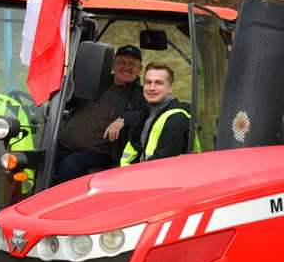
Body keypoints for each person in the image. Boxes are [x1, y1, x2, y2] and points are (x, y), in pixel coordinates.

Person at [56, 44, 146, 182]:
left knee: (70, 165)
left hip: (98, 152)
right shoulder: (96, 82)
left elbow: (146, 113)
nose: (126, 67)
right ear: (113, 65)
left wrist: (124, 119)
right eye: (121, 62)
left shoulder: (140, 94)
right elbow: (70, 102)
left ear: (139, 69)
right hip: (62, 143)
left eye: (132, 64)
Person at [120, 62, 198, 166]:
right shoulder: (147, 113)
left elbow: (161, 164)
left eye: (159, 83)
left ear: (170, 88)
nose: (152, 88)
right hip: (139, 173)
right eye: (148, 82)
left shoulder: (177, 119)